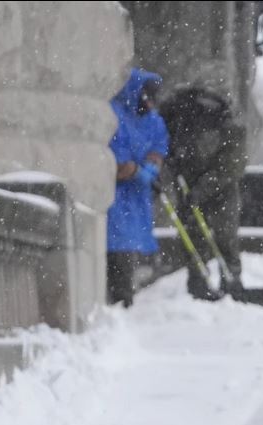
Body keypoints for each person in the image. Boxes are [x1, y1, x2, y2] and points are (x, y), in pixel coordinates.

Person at [158, 85, 247, 301]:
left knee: (223, 235)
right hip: (192, 185)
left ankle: (228, 282)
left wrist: (201, 189)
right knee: (197, 234)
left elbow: (229, 167)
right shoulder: (183, 122)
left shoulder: (227, 128)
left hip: (213, 187)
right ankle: (201, 282)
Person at [106, 68, 169, 307]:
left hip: (137, 198)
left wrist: (150, 168)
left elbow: (158, 149)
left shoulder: (154, 121)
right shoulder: (115, 115)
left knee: (128, 246)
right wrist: (134, 171)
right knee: (117, 246)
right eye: (147, 98)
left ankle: (123, 296)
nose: (150, 104)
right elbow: (118, 161)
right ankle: (120, 298)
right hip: (116, 196)